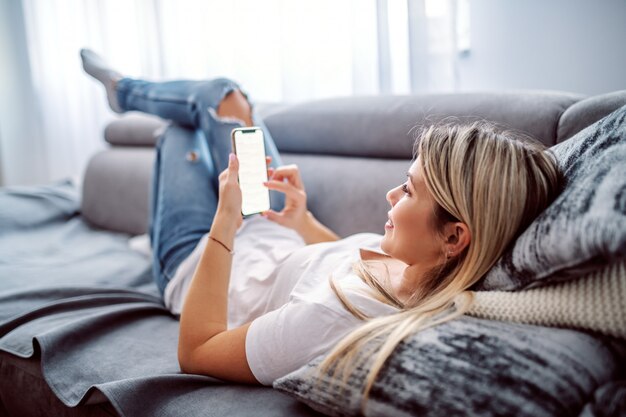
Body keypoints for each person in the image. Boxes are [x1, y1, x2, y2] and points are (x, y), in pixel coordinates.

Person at [80, 49, 561, 402]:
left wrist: (224, 221)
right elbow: (346, 264)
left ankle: (125, 95)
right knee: (226, 98)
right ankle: (136, 101)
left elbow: (197, 349)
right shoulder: (421, 266)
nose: (392, 195)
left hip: (197, 259)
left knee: (183, 127)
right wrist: (303, 220)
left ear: (456, 237)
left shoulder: (330, 320)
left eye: (410, 191)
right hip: (269, 225)